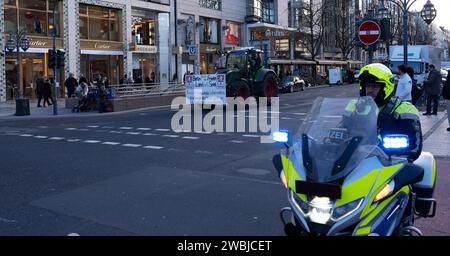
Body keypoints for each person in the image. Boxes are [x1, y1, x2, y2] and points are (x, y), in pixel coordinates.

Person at [359, 63, 422, 161]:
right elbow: (342, 132)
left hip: (388, 162)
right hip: (357, 161)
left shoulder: (405, 109)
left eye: (375, 86)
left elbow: (414, 146)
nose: (370, 90)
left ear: (386, 87)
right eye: (368, 86)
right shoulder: (356, 107)